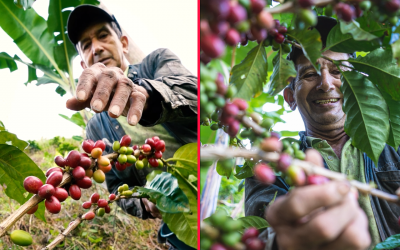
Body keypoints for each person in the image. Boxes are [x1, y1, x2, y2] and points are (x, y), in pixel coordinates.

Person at [245, 16, 400, 250]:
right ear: (290, 98)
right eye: (309, 74)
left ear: (360, 87)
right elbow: (263, 231)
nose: (325, 84)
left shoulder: (394, 144)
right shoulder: (273, 163)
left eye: (338, 72)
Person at [66, 4, 197, 250]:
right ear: (84, 65)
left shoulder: (157, 62)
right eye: (86, 45)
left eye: (103, 35)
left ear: (123, 42)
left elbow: (195, 95)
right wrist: (143, 201)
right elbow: (116, 188)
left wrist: (146, 96)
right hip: (179, 220)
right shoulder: (96, 129)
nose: (96, 47)